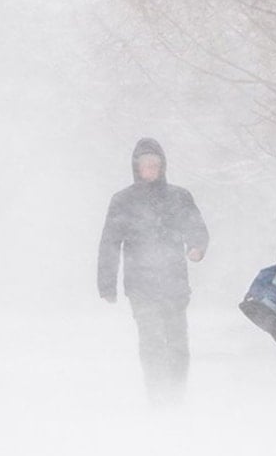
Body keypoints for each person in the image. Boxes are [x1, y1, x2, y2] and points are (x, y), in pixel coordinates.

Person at [98, 138, 209, 403]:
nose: (150, 168)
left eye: (154, 164)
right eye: (145, 164)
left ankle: (177, 396)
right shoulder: (123, 201)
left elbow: (197, 228)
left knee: (178, 344)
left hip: (174, 284)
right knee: (152, 343)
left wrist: (197, 247)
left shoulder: (179, 197)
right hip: (140, 286)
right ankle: (158, 397)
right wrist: (106, 284)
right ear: (136, 167)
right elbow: (110, 243)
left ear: (162, 166)